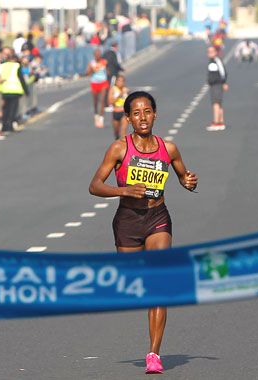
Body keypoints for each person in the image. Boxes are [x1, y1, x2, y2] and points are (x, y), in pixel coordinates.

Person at [88, 91, 198, 375]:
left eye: (147, 111)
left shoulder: (168, 148)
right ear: (128, 118)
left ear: (155, 114)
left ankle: (154, 354)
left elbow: (184, 176)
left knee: (158, 286)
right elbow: (95, 186)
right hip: (127, 221)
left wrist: (188, 182)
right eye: (136, 113)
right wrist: (124, 189)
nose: (142, 117)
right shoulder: (119, 149)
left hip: (158, 218)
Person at [0, 47, 29, 133]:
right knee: (13, 109)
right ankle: (10, 125)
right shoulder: (16, 66)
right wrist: (26, 91)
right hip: (15, 91)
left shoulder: (2, 65)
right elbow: (21, 79)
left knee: (5, 109)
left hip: (5, 90)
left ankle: (4, 126)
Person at [85, 49, 109, 128]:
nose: (98, 55)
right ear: (94, 55)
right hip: (95, 83)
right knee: (96, 101)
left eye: (99, 54)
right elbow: (87, 73)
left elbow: (108, 71)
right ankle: (96, 115)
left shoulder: (104, 62)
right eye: (96, 54)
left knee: (102, 100)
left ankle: (101, 119)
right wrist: (92, 70)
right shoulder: (92, 63)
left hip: (103, 82)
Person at [206, 45, 228, 131]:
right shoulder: (213, 61)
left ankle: (216, 122)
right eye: (208, 52)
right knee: (218, 103)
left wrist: (223, 82)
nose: (209, 54)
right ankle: (220, 122)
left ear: (215, 52)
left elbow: (223, 72)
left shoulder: (216, 61)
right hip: (216, 84)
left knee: (216, 103)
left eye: (211, 52)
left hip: (216, 84)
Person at [107, 74, 128, 140]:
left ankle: (123, 147)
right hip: (116, 111)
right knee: (116, 131)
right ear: (116, 82)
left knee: (123, 131)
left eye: (122, 81)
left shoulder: (126, 90)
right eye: (119, 81)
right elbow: (110, 102)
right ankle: (117, 139)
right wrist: (119, 95)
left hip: (124, 112)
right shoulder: (113, 90)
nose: (120, 83)